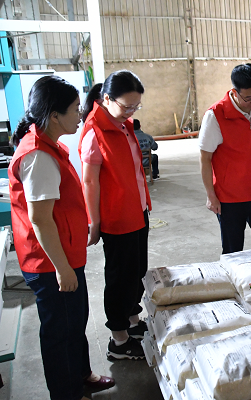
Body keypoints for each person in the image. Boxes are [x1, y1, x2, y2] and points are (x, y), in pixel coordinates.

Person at [8, 76, 114, 400]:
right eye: (75, 109)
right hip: (50, 262)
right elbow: (40, 220)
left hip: (65, 254)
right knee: (60, 331)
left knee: (74, 322)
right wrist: (62, 269)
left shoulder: (50, 145)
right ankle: (66, 393)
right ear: (54, 115)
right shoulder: (38, 157)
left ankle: (81, 375)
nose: (80, 114)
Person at [79, 70, 150, 360]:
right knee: (121, 278)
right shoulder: (95, 132)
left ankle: (132, 321)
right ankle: (119, 340)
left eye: (136, 106)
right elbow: (89, 181)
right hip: (118, 217)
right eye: (127, 106)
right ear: (107, 99)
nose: (131, 111)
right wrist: (94, 222)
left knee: (138, 271)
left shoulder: (123, 124)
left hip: (138, 210)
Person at [199, 63, 251, 254]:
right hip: (230, 200)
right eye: (249, 98)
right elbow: (205, 158)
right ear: (235, 92)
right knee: (233, 251)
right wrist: (210, 195)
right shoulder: (216, 115)